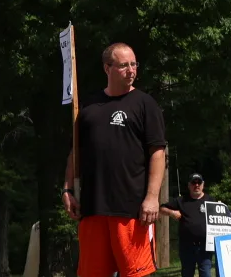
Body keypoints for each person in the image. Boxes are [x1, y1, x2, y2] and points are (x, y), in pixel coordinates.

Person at [62, 43, 166, 277]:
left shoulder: (145, 104)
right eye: (123, 65)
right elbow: (74, 152)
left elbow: (158, 153)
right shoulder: (88, 107)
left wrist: (152, 197)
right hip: (92, 208)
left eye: (134, 64)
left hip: (130, 209)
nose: (131, 70)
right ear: (107, 68)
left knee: (135, 273)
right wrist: (67, 189)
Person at [160, 174, 216, 277]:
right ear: (189, 185)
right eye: (194, 183)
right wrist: (172, 213)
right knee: (187, 273)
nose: (197, 185)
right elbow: (162, 208)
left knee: (206, 274)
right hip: (186, 246)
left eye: (199, 182)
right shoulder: (181, 200)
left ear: (203, 184)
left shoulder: (211, 200)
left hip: (205, 246)